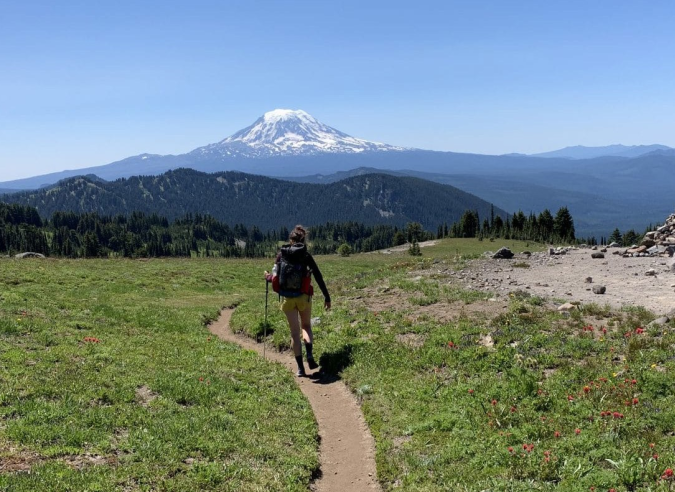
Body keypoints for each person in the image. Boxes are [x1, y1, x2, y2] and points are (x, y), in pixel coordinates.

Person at [265, 225, 331, 376]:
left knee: (294, 334)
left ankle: (300, 369)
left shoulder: (281, 255)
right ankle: (309, 355)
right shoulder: (305, 256)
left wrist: (266, 276)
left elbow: (274, 277)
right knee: (306, 326)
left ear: (290, 240)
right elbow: (318, 276)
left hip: (288, 299)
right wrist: (327, 297)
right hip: (304, 297)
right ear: (303, 240)